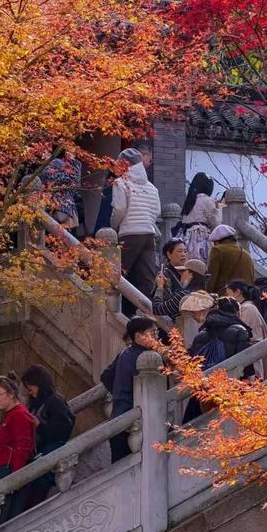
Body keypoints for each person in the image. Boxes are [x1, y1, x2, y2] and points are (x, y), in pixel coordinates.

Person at [183, 297, 253, 423]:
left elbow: (192, 362)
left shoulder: (201, 334)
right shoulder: (240, 331)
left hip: (206, 389)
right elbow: (246, 362)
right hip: (232, 387)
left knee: (206, 425)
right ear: (236, 313)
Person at [110, 148, 161, 314]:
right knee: (146, 278)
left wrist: (113, 226)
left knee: (119, 273)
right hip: (149, 234)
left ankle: (114, 308)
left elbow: (119, 209)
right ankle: (144, 312)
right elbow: (157, 211)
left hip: (129, 233)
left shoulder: (120, 182)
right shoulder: (152, 187)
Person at [100, 316, 157, 463]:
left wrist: (119, 393)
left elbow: (106, 376)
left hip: (119, 416)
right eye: (152, 333)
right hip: (133, 421)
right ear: (138, 336)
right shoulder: (146, 357)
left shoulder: (125, 353)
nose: (156, 336)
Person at [20, 365, 76, 507]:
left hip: (48, 454)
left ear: (39, 383)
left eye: (30, 386)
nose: (29, 391)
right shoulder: (34, 404)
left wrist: (39, 426)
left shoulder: (55, 401)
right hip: (35, 452)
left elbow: (63, 429)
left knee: (38, 486)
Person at [0, 373, 37, 525]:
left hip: (10, 469)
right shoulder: (11, 414)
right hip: (4, 467)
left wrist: (15, 477)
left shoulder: (19, 415)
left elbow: (22, 447)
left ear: (10, 394)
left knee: (5, 514)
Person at [225, 279, 267, 379]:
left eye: (228, 294)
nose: (227, 297)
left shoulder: (247, 309)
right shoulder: (247, 307)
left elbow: (243, 335)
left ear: (237, 292)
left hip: (252, 357)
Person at [178, 173, 223, 261]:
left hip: (185, 236)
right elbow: (215, 222)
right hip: (200, 236)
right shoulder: (207, 200)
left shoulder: (189, 200)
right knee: (202, 262)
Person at [153, 258, 208, 322]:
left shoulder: (184, 295)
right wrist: (167, 286)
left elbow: (157, 309)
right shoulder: (205, 295)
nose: (180, 274)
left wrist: (160, 287)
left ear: (191, 275)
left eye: (183, 272)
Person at [206, 224, 254, 295]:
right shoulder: (247, 255)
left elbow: (211, 277)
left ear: (217, 241)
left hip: (225, 297)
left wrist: (206, 294)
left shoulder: (217, 250)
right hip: (244, 297)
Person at [40, 153, 82, 231]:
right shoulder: (55, 165)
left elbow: (74, 182)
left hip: (59, 210)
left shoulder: (49, 169)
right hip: (59, 210)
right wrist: (74, 162)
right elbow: (72, 178)